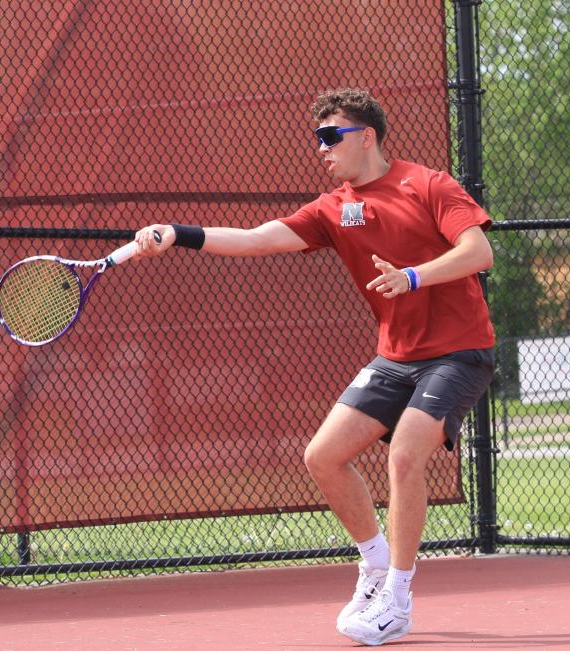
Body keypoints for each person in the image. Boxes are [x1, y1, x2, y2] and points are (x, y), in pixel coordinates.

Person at [132, 88, 495, 646]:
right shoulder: (333, 208)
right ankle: (374, 565)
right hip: (396, 356)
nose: (322, 149)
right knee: (323, 456)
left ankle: (398, 596)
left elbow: (478, 252)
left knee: (404, 456)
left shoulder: (429, 184)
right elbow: (257, 240)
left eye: (332, 136)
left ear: (367, 136)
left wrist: (413, 276)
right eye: (317, 139)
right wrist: (177, 234)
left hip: (459, 350)